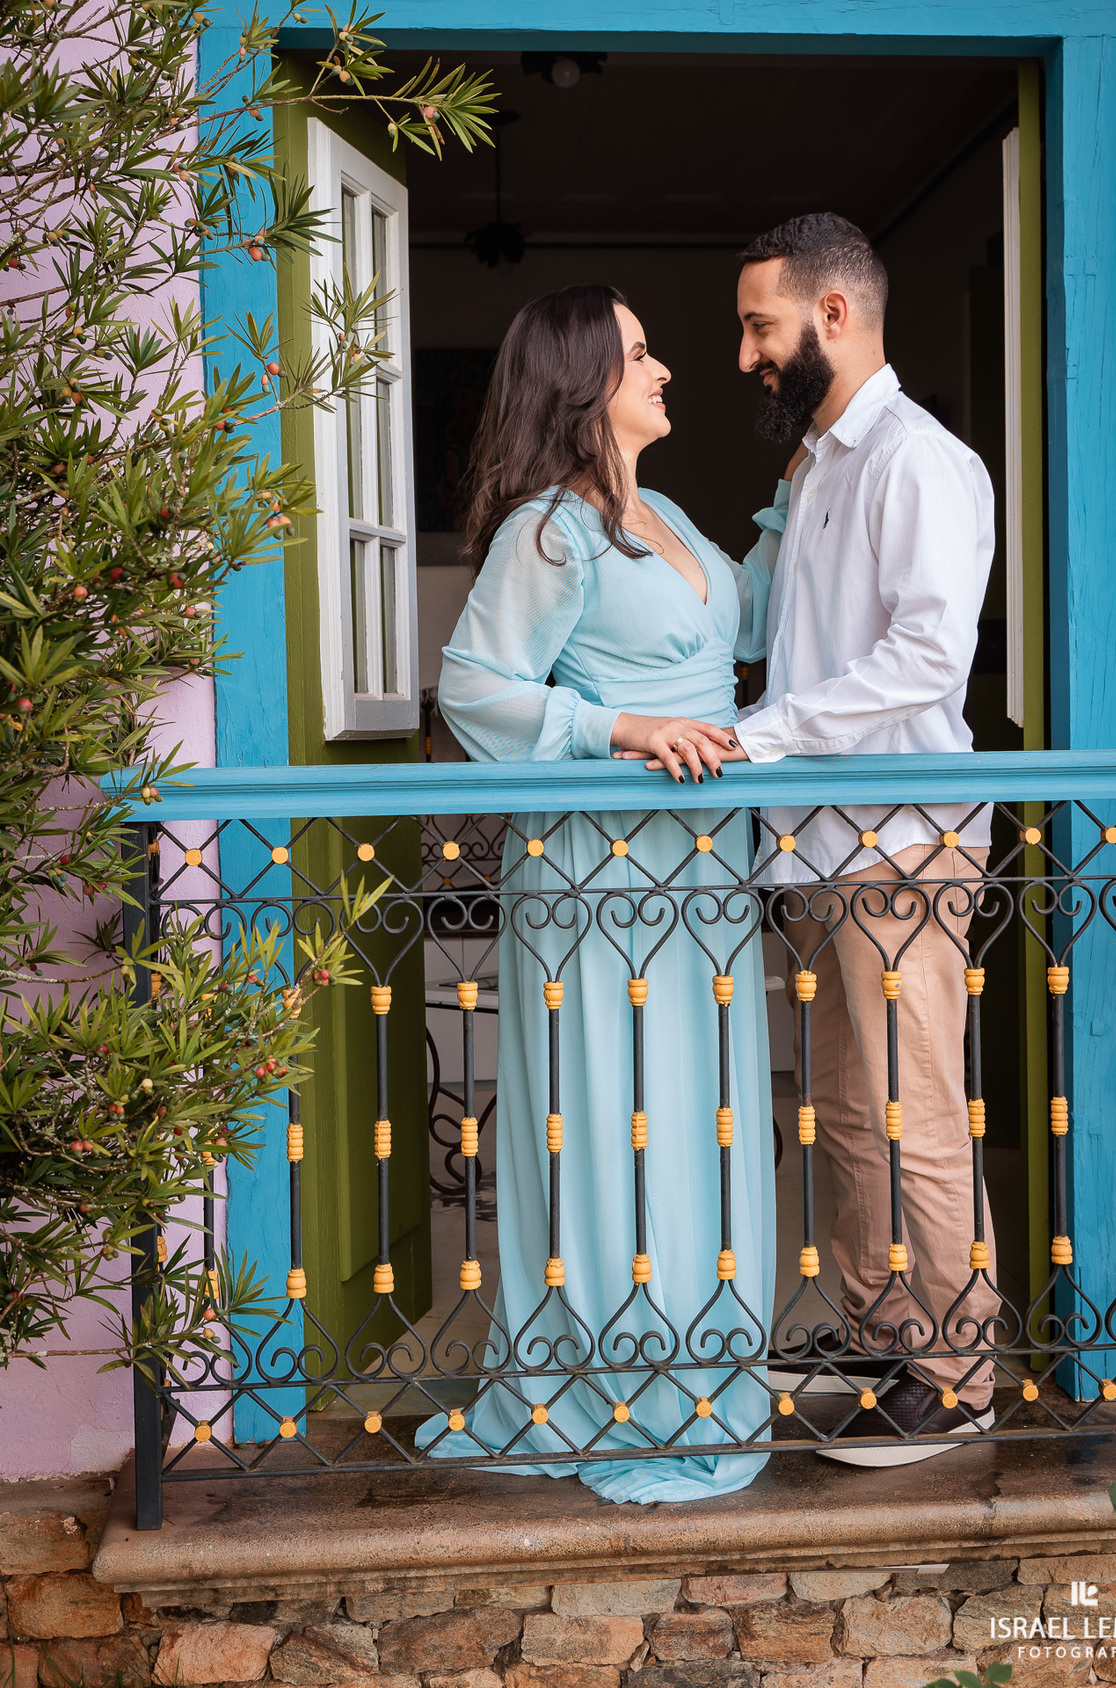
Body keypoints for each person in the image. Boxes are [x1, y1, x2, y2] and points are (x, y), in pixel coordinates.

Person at [417, 284, 775, 1504]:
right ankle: (608, 1379)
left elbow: (753, 617)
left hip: (705, 867)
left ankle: (703, 1367)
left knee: (703, 1113)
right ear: (583, 386)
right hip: (598, 872)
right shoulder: (552, 531)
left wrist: (812, 497)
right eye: (636, 352)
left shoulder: (663, 510)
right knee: (613, 1108)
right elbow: (473, 692)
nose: (664, 366)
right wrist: (621, 728)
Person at [729, 213, 1000, 1465]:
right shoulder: (819, 469)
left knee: (918, 1109)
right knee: (844, 1108)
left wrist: (769, 734)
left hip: (900, 843)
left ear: (834, 316)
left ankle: (958, 1373)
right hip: (822, 849)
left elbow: (929, 654)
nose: (746, 355)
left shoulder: (917, 460)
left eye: (760, 327)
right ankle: (885, 1336)